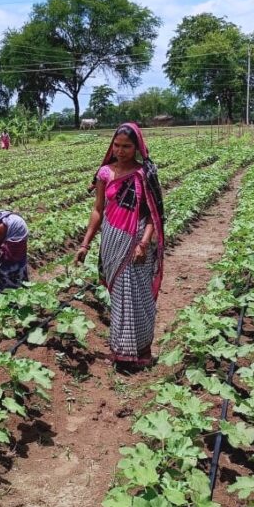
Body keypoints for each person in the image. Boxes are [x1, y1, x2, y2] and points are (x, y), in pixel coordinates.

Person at [75, 123, 165, 370]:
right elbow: (97, 210)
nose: (121, 150)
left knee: (139, 297)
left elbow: (152, 215)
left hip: (137, 243)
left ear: (137, 147)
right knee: (119, 297)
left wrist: (144, 243)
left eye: (126, 146)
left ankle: (141, 352)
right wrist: (85, 245)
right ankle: (122, 354)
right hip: (112, 241)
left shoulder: (143, 175)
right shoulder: (104, 173)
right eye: (117, 145)